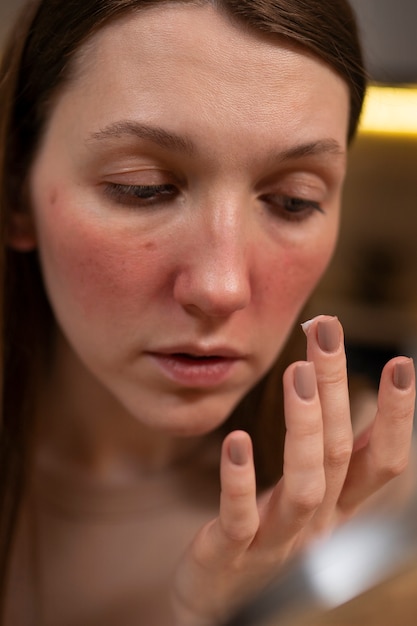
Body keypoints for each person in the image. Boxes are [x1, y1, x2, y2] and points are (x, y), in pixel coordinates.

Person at [0, 0, 414, 624]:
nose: (222, 288)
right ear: (16, 194)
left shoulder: (384, 504)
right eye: (143, 188)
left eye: (294, 201)